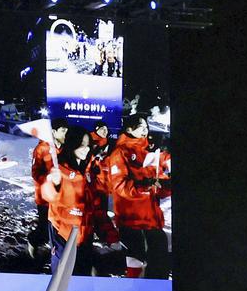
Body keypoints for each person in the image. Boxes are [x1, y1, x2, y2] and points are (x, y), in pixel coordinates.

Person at [108, 114, 171, 279]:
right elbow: (120, 186)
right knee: (136, 262)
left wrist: (165, 185)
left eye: (146, 127)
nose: (145, 130)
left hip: (151, 218)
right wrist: (145, 185)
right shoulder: (120, 153)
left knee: (159, 263)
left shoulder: (148, 151)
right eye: (141, 127)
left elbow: (158, 181)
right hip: (131, 219)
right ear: (129, 129)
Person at [41, 125, 95, 275]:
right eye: (82, 145)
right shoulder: (60, 169)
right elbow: (48, 195)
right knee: (63, 276)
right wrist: (52, 183)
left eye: (88, 145)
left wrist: (108, 233)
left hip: (84, 234)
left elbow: (93, 205)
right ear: (72, 143)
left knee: (82, 276)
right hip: (63, 233)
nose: (86, 149)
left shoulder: (88, 170)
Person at [27, 118, 68, 250]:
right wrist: (50, 178)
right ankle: (33, 241)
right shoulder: (42, 148)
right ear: (54, 132)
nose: (66, 134)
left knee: (58, 227)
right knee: (44, 228)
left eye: (67, 131)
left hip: (60, 197)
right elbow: (35, 173)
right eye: (63, 131)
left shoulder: (65, 148)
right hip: (45, 198)